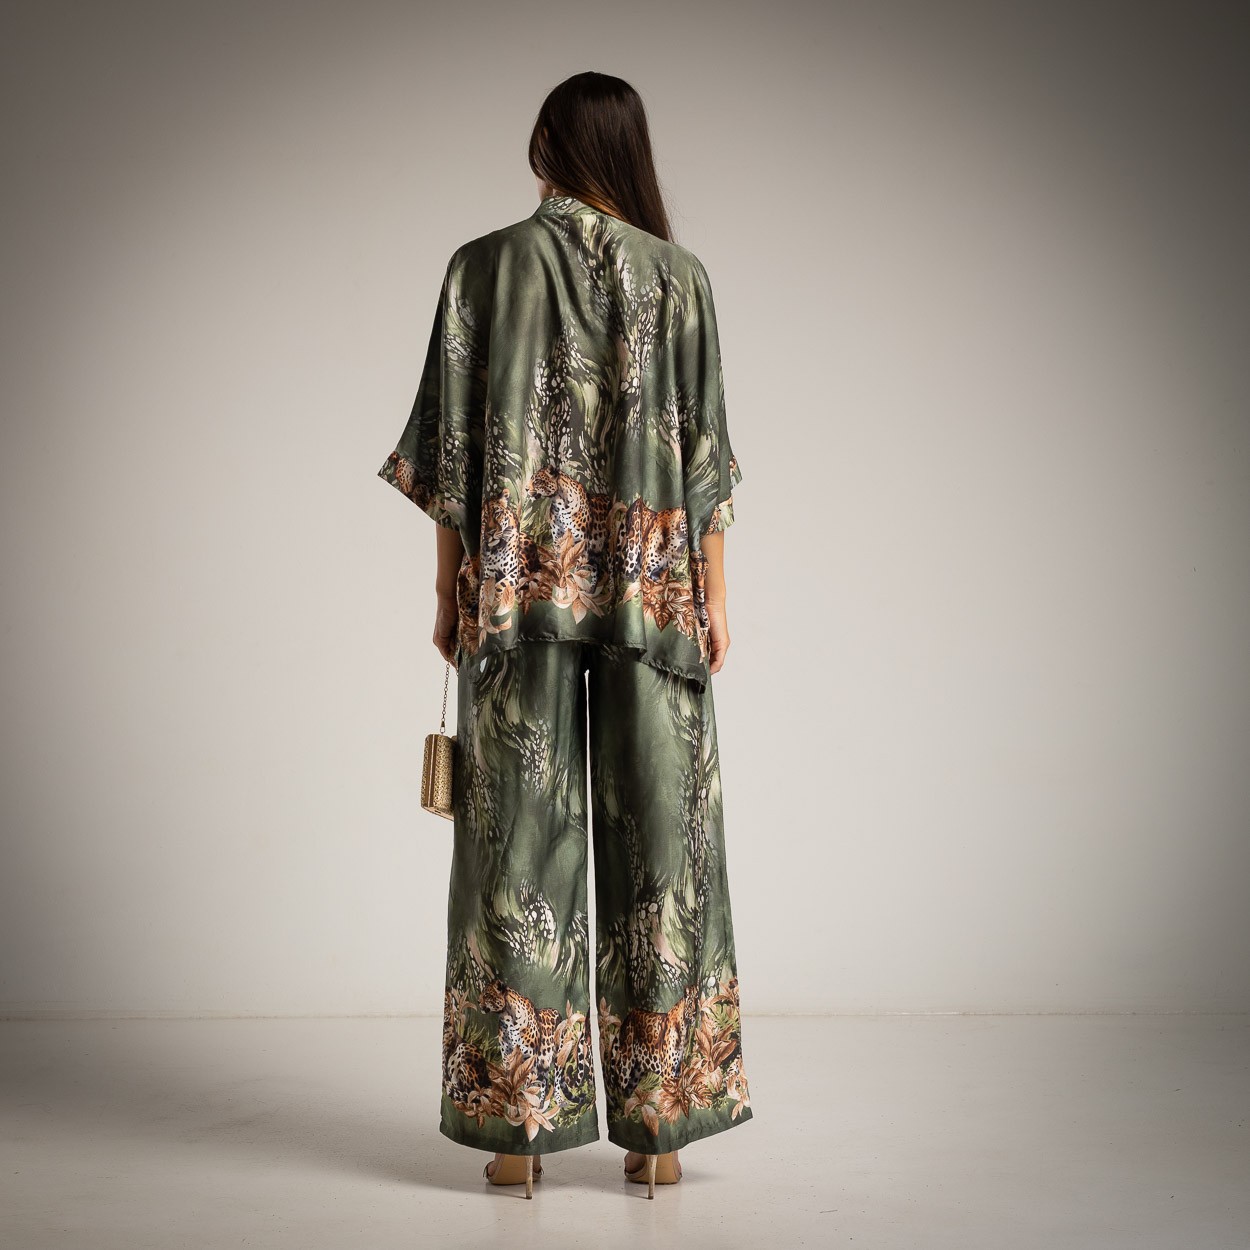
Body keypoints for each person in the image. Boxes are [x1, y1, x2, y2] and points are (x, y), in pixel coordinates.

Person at [376, 70, 753, 1200]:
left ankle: (516, 1135)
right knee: (667, 859)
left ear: (544, 145)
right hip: (653, 595)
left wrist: (448, 593)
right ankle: (660, 1134)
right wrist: (714, 595)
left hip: (515, 593)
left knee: (514, 858)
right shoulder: (679, 278)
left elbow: (453, 457)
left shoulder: (481, 267)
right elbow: (704, 462)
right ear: (631, 151)